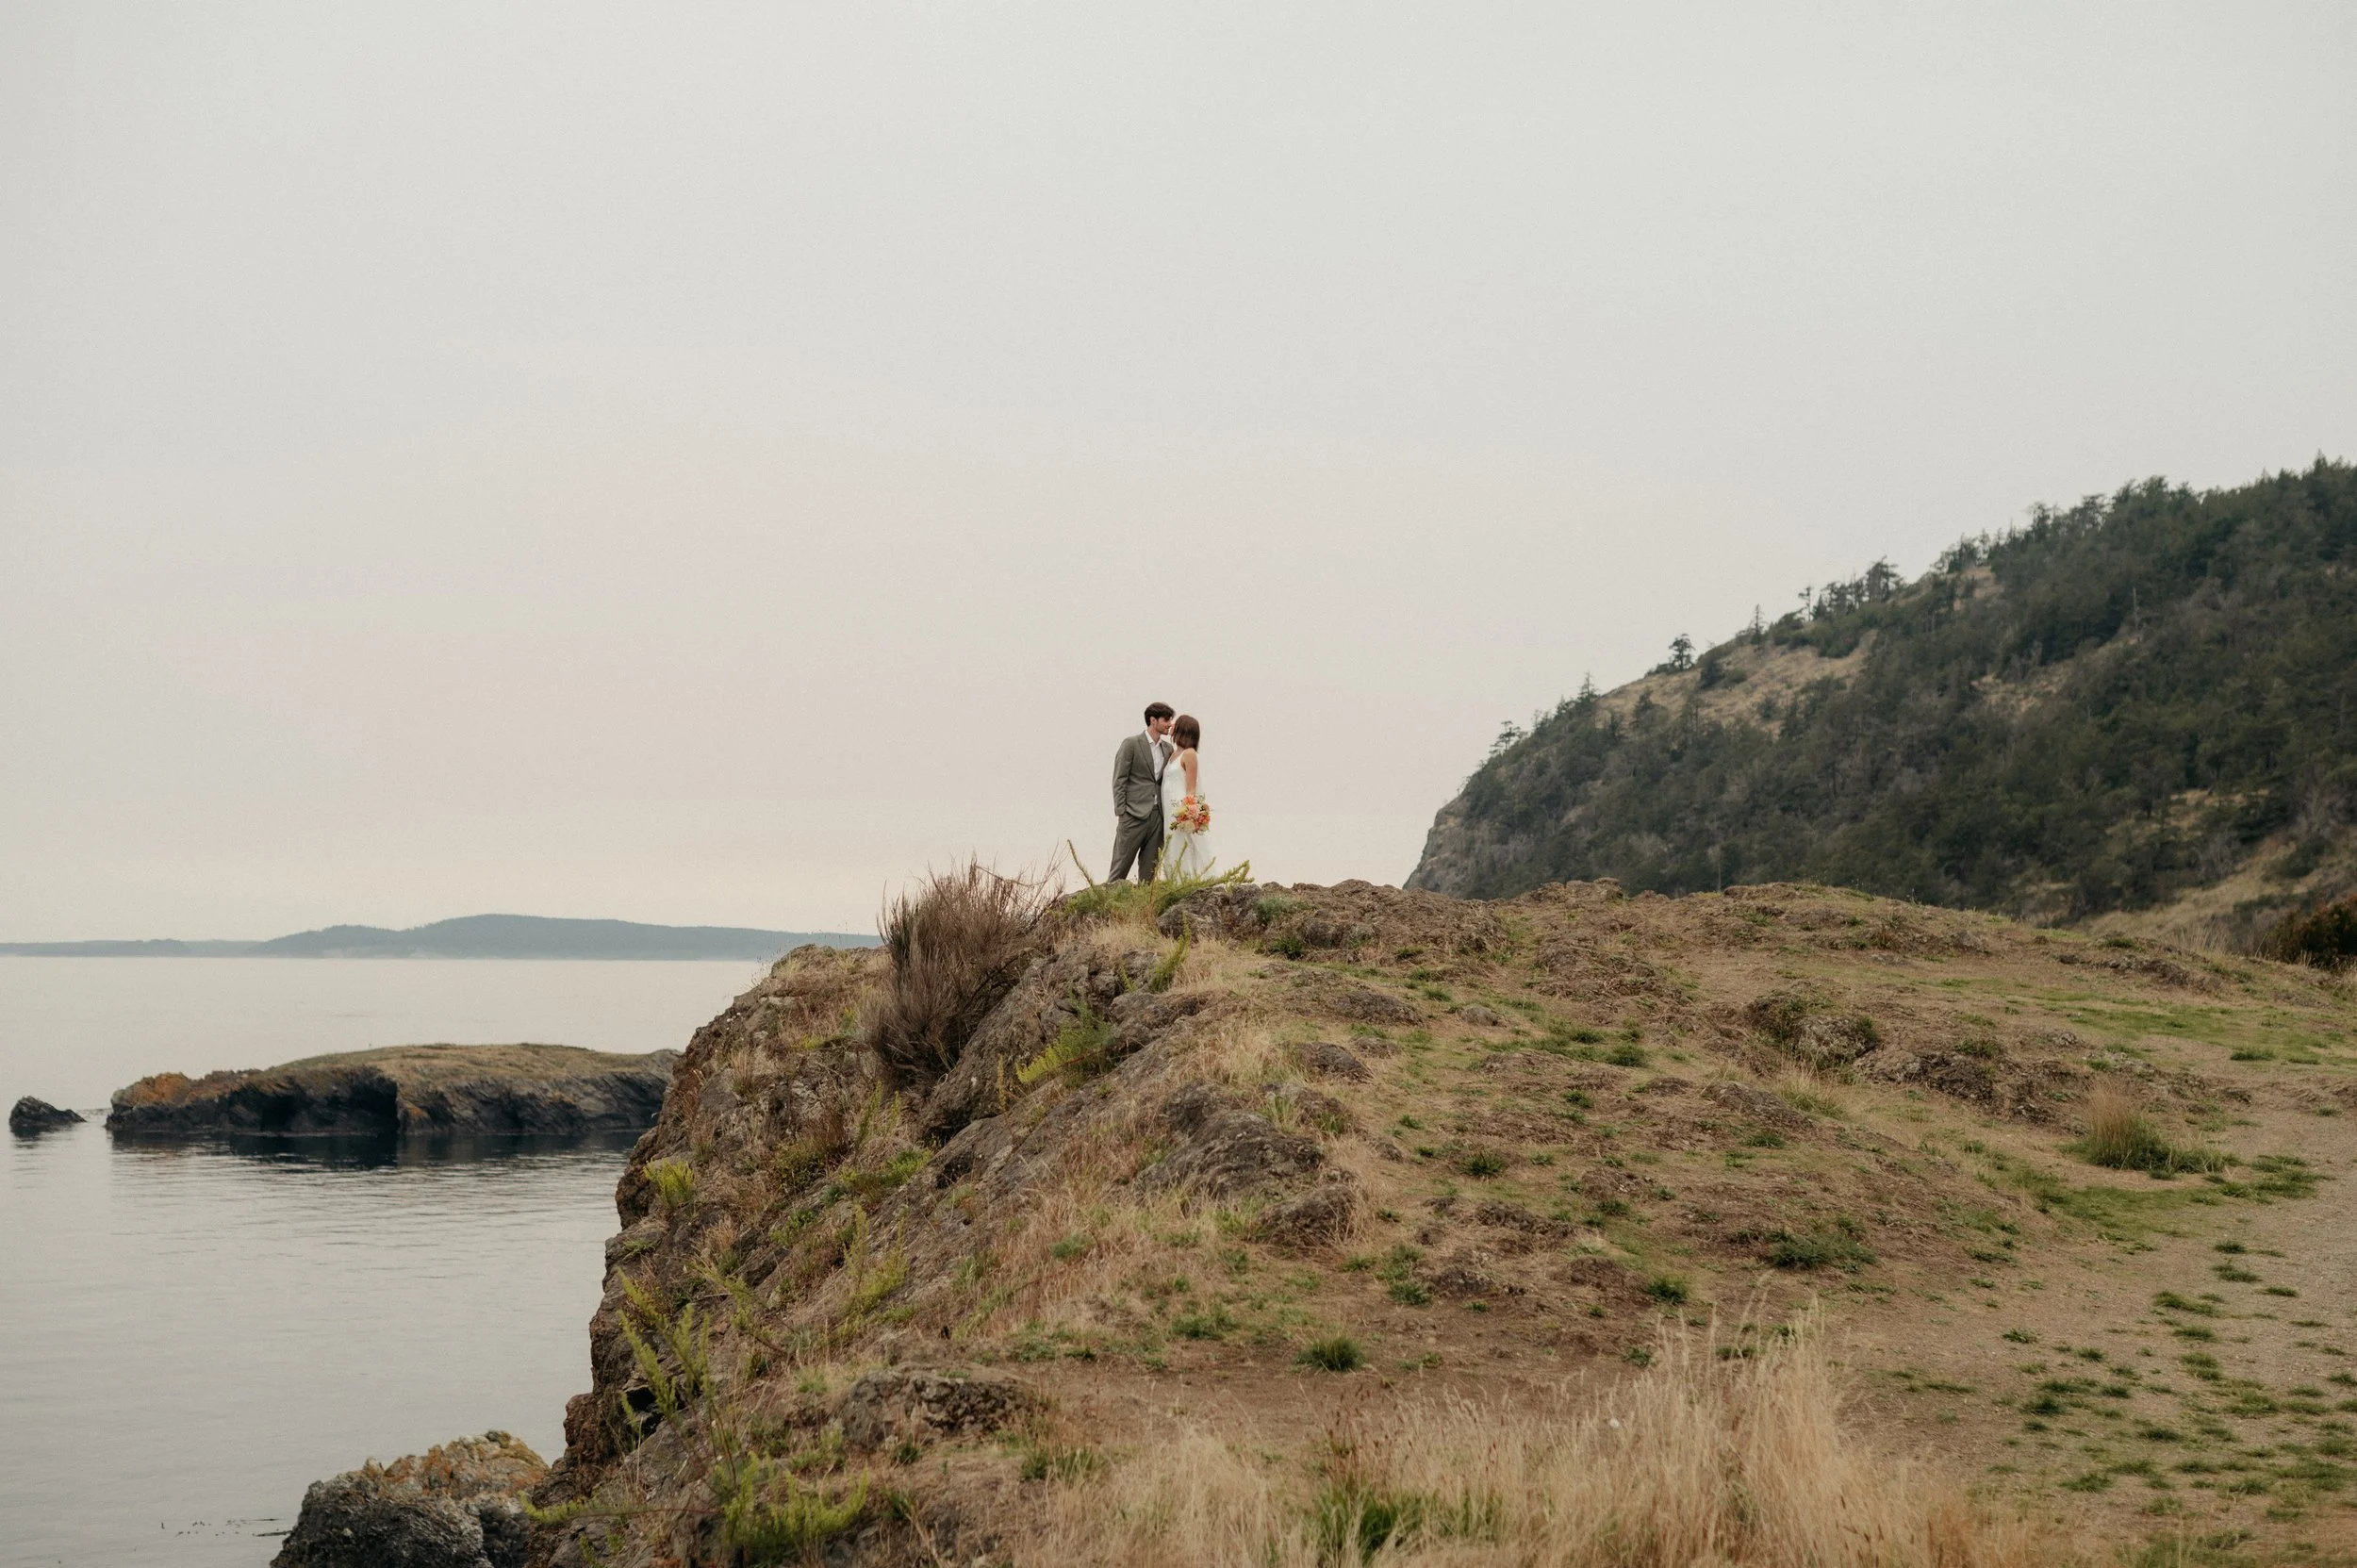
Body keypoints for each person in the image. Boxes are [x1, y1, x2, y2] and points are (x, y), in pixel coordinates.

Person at [1109, 702, 1176, 883]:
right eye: (1166, 720)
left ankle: (1145, 909)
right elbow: (1119, 779)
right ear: (1153, 720)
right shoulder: (1131, 744)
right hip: (1132, 814)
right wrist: (1121, 812)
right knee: (1120, 868)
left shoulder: (1168, 749)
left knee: (1149, 871)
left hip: (1157, 816)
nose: (1169, 723)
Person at [1162, 714, 1211, 878]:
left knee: (1182, 846)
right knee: (1171, 847)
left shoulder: (1189, 754)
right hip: (1169, 809)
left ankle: (1187, 880)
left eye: (1176, 723)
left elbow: (1191, 788)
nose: (1172, 725)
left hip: (1180, 810)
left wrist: (1188, 812)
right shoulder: (1173, 753)